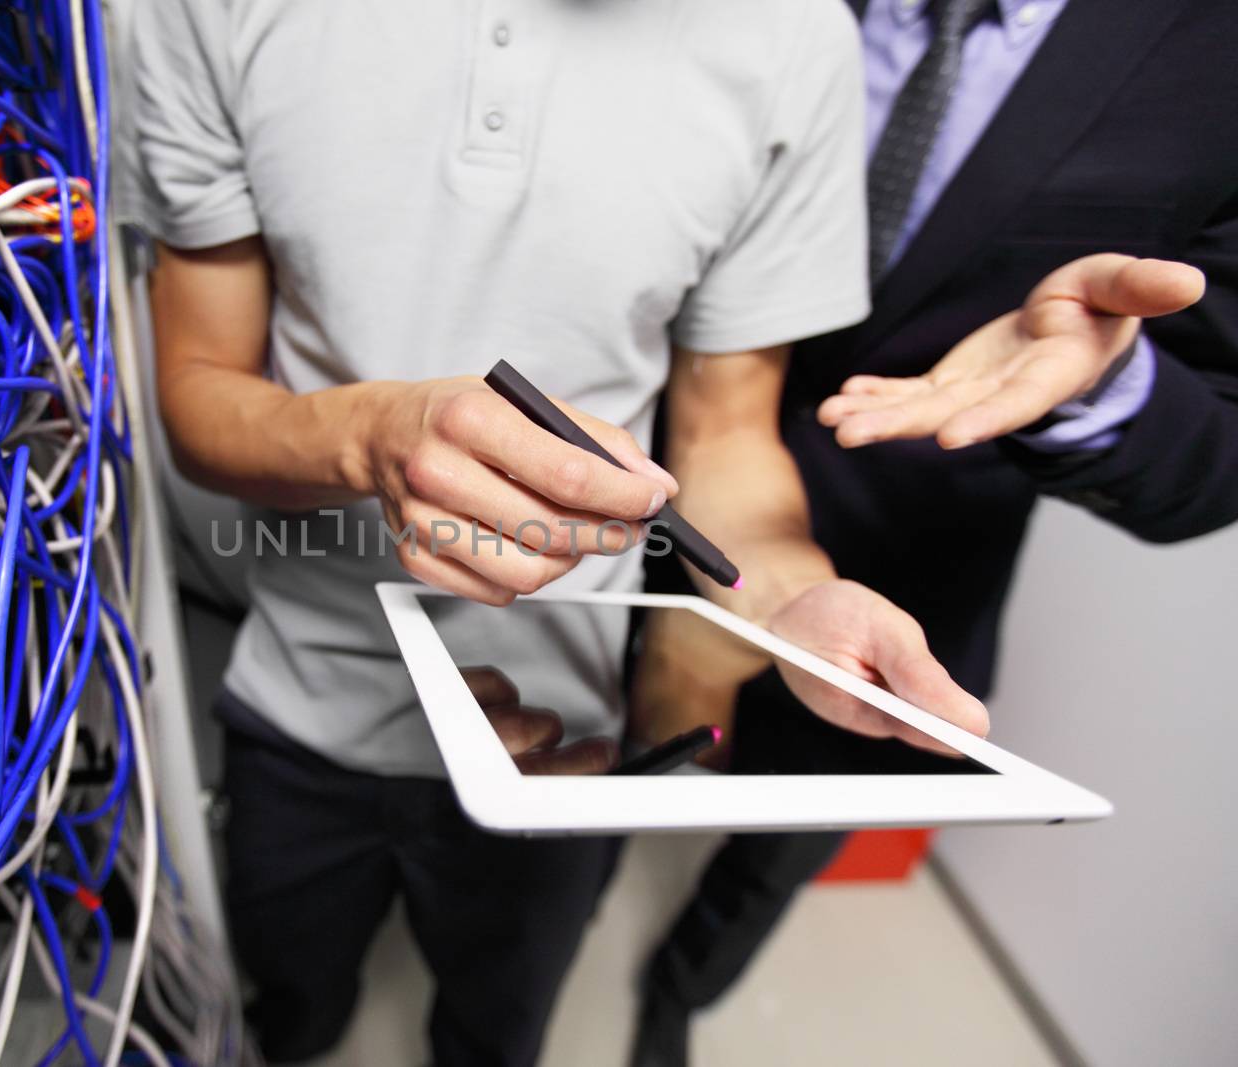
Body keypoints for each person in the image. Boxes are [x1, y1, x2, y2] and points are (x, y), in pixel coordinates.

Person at [122, 1, 995, 1063]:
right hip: (296, 690)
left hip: (566, 731)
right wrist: (368, 436)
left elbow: (724, 439)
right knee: (289, 1002)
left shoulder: (795, 37)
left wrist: (783, 602)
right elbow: (198, 394)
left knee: (499, 1024)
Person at [629, 1, 1238, 1064]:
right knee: (586, 759)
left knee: (786, 834)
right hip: (641, 474)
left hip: (914, 551)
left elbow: (1213, 460)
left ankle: (679, 987)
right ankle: (561, 906)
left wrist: (1099, 382)